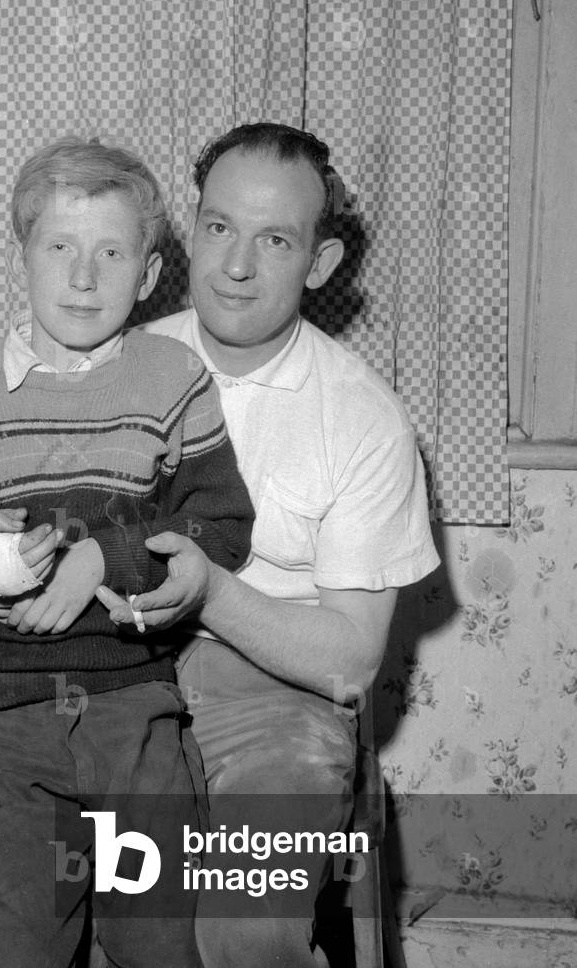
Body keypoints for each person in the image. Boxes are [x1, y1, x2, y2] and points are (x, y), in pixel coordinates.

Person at [0, 139, 255, 968]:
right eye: (60, 247)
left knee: (162, 947)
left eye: (111, 253)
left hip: (132, 714)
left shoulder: (173, 379)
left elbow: (220, 527)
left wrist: (106, 558)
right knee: (12, 950)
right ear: (24, 255)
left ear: (148, 274)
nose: (82, 276)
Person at [96, 123, 440, 967]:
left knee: (245, 924)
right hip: (120, 678)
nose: (236, 266)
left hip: (278, 706)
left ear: (319, 263)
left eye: (274, 240)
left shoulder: (362, 417)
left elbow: (350, 662)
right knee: (101, 911)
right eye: (218, 227)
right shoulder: (113, 367)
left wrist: (210, 591)